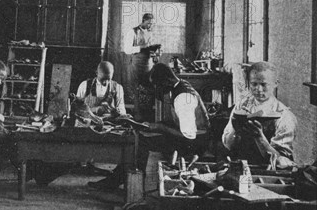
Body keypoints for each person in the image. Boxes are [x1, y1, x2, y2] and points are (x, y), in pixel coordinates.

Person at [90, 63, 209, 191]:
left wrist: (159, 127)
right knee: (138, 136)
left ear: (167, 81)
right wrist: (153, 126)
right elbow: (178, 123)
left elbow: (189, 135)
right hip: (191, 136)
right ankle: (119, 178)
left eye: (157, 85)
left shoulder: (182, 97)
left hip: (196, 142)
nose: (157, 89)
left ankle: (129, 182)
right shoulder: (179, 85)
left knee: (141, 143)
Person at [222, 62, 297, 168]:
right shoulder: (241, 105)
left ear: (275, 83)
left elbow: (281, 160)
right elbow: (228, 145)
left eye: (263, 84)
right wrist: (235, 129)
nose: (259, 89)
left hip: (269, 172)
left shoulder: (284, 116)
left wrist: (259, 137)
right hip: (243, 166)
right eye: (254, 84)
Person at [123, 13, 161, 120]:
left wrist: (156, 53)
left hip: (149, 65)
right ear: (143, 20)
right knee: (137, 91)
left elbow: (152, 49)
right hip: (136, 65)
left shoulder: (151, 33)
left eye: (152, 24)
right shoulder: (133, 32)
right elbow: (127, 50)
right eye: (148, 23)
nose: (150, 26)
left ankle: (148, 116)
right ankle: (137, 116)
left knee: (148, 90)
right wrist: (142, 48)